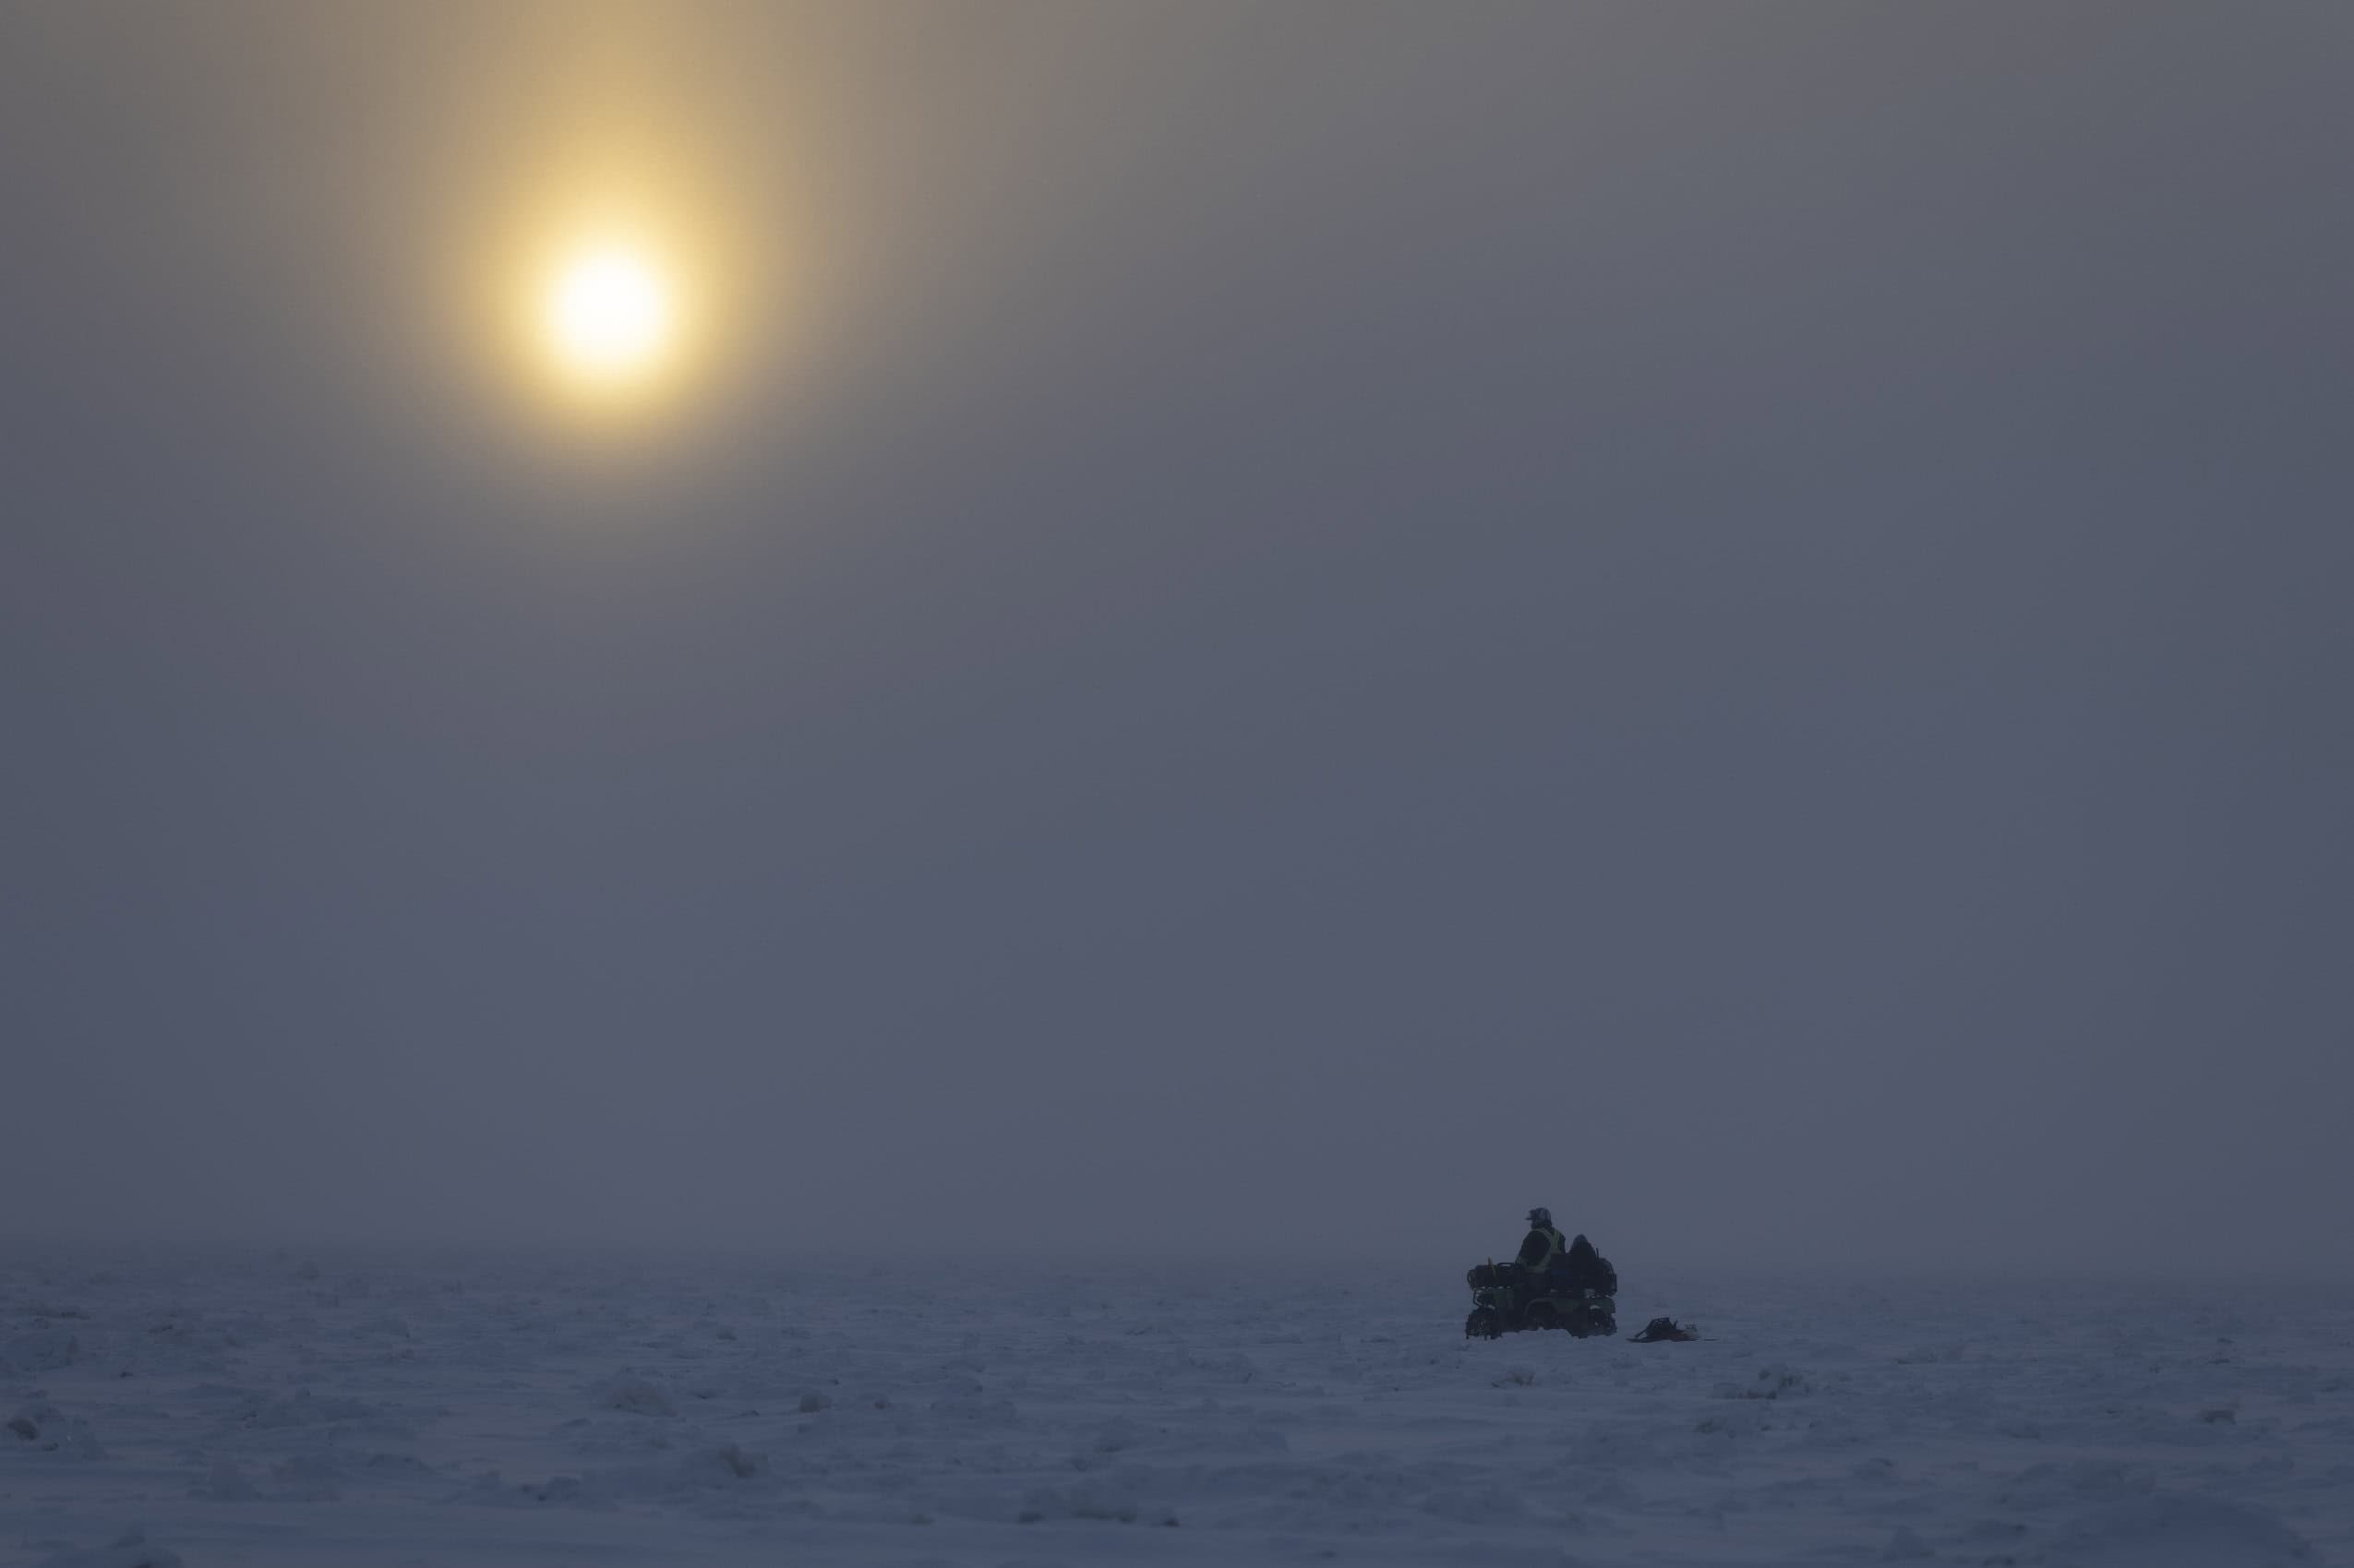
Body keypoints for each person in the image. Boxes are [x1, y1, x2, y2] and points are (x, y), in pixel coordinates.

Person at [1515, 1206, 1566, 1271]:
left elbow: (1522, 1257)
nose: (1532, 1223)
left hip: (1535, 1277)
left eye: (1534, 1220)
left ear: (1540, 1219)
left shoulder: (1534, 1234)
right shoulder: (1560, 1236)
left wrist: (1515, 1268)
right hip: (1555, 1278)